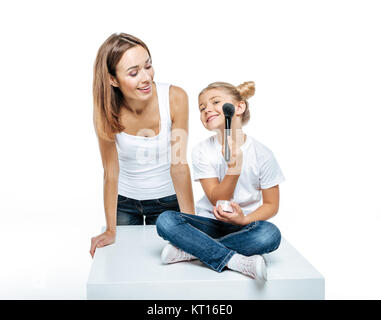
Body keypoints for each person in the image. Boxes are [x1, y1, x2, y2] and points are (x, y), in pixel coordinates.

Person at [156, 81, 285, 280]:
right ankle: (236, 261)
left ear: (239, 107)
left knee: (270, 234)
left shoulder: (263, 154)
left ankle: (193, 251)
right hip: (209, 225)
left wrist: (243, 220)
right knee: (166, 220)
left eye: (215, 102)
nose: (207, 109)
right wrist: (234, 169)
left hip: (244, 227)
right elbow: (218, 198)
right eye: (202, 108)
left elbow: (271, 205)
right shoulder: (202, 150)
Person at [90, 33, 195, 258]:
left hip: (168, 202)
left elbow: (179, 165)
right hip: (125, 203)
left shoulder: (175, 98)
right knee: (125, 263)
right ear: (113, 79)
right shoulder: (106, 110)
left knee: (169, 267)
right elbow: (110, 171)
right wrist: (110, 229)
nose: (146, 77)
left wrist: (190, 222)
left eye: (148, 66)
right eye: (134, 73)